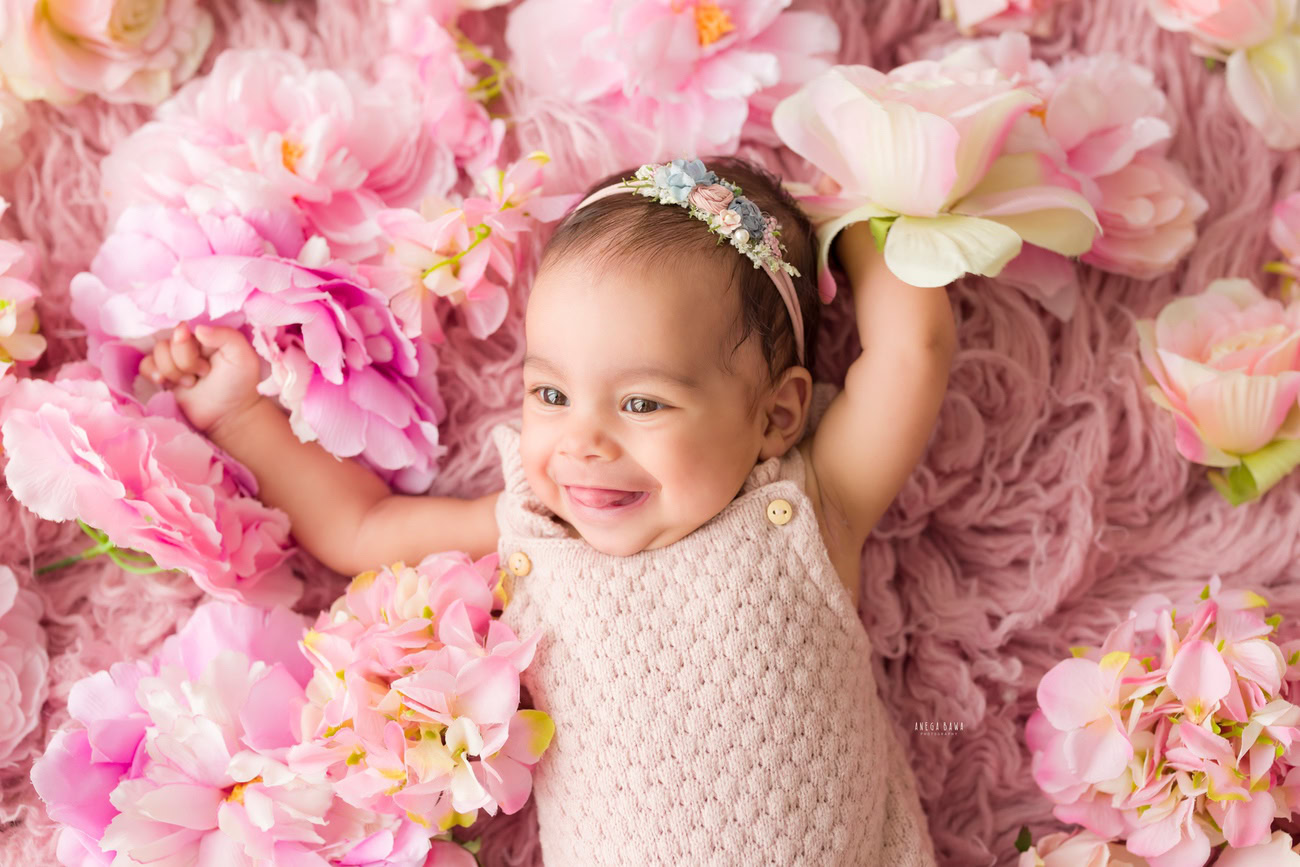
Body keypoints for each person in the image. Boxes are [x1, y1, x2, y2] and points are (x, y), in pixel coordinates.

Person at [144, 156, 953, 865]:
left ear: (776, 415)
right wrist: (239, 416)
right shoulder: (538, 530)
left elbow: (912, 352)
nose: (583, 442)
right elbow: (363, 529)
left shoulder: (808, 506)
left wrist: (861, 215)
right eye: (552, 394)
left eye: (642, 402)